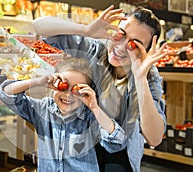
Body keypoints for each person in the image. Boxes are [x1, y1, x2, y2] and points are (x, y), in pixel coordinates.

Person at [32, 5, 167, 172]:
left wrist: (140, 79)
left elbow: (154, 138)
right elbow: (39, 25)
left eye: (134, 45)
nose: (121, 47)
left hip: (120, 151)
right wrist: (86, 30)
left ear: (146, 51)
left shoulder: (149, 75)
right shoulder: (95, 50)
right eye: (120, 35)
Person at [0, 57, 127, 172]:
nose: (67, 95)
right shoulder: (44, 109)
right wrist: (38, 82)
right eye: (63, 86)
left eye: (77, 90)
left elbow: (117, 143)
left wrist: (95, 108)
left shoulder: (90, 117)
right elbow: (7, 94)